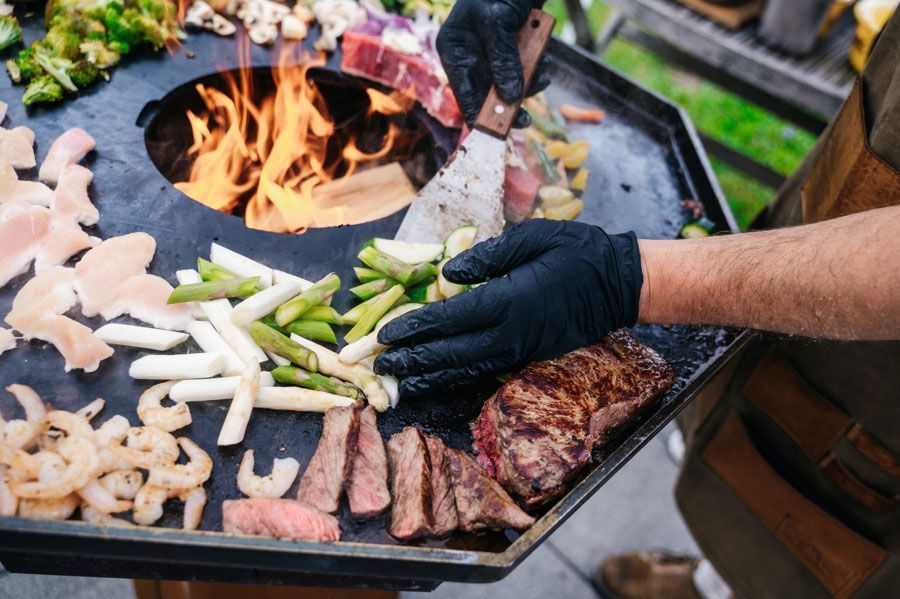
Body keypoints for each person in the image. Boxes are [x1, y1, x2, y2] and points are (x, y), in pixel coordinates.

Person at [374, 1, 900, 597]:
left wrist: (633, 277)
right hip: (868, 165)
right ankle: (714, 574)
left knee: (828, 523)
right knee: (749, 436)